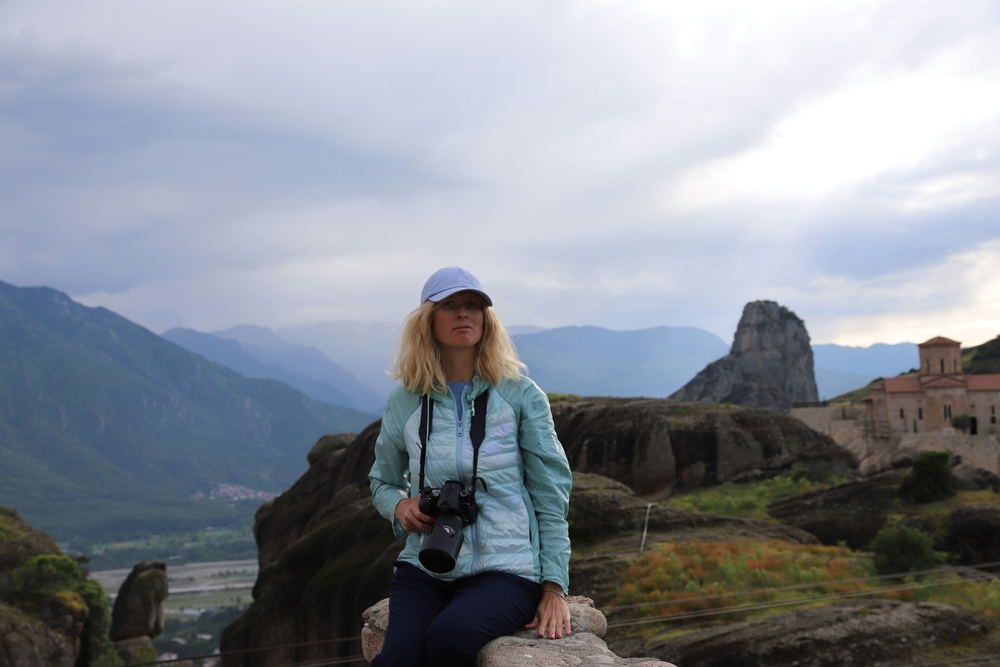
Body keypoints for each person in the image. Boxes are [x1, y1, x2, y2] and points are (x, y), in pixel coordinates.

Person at [368, 266, 573, 667]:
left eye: (473, 306)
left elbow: (551, 495)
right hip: (427, 562)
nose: (464, 314)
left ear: (486, 319)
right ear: (429, 320)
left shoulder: (520, 396)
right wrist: (399, 507)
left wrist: (553, 586)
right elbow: (382, 481)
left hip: (507, 568)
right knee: (397, 660)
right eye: (450, 305)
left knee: (451, 636)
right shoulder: (406, 401)